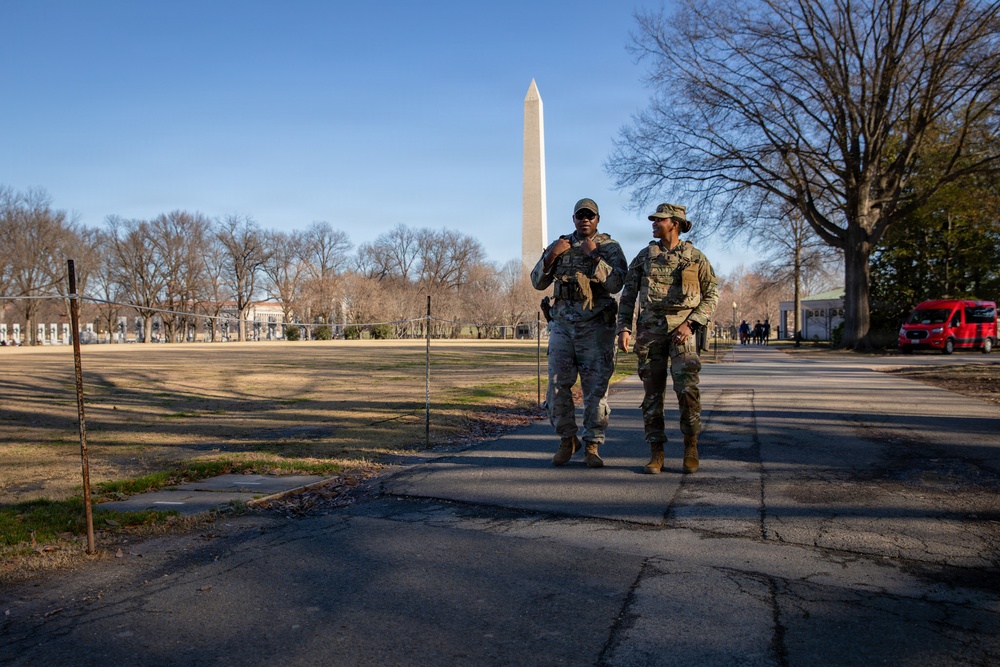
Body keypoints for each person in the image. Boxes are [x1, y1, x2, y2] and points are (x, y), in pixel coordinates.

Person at [617, 203, 719, 474]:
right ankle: (656, 452)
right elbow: (628, 295)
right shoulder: (644, 257)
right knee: (652, 395)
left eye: (659, 219)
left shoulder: (696, 258)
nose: (653, 223)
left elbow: (712, 295)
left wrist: (693, 323)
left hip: (682, 334)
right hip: (650, 334)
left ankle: (690, 445)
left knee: (687, 391)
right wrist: (624, 328)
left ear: (674, 223)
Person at [532, 198, 628, 468]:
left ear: (598, 219)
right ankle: (567, 439)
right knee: (557, 386)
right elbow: (537, 282)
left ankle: (593, 446)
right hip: (562, 326)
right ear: (573, 218)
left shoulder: (609, 247)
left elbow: (618, 282)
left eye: (590, 215)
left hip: (596, 328)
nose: (585, 219)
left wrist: (594, 256)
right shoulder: (559, 245)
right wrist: (551, 255)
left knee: (595, 391)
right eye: (580, 215)